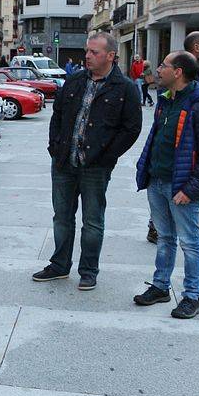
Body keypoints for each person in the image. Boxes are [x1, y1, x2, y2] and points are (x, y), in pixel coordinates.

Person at [33, 32, 142, 290]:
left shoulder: (125, 88)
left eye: (94, 52)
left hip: (95, 167)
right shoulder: (75, 80)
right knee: (62, 217)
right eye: (87, 51)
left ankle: (89, 271)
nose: (88, 56)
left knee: (92, 221)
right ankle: (59, 265)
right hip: (63, 163)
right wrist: (55, 146)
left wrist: (107, 156)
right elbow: (57, 115)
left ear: (111, 56)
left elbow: (131, 129)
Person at [133, 51, 199, 319]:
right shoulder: (165, 100)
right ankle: (160, 286)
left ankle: (192, 296)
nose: (158, 70)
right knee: (164, 238)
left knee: (191, 242)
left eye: (164, 65)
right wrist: (145, 172)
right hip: (157, 181)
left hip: (182, 187)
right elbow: (157, 138)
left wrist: (190, 190)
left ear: (179, 72)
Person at [146, 31, 199, 250]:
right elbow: (161, 129)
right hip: (177, 158)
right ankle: (158, 226)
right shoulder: (170, 85)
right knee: (176, 233)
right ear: (196, 47)